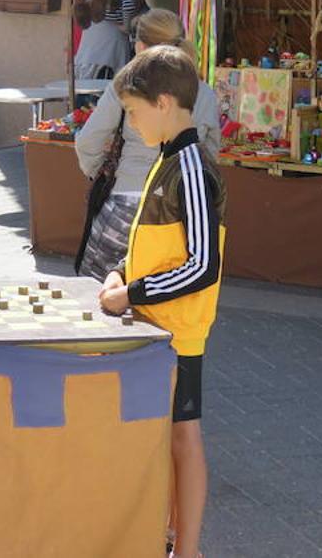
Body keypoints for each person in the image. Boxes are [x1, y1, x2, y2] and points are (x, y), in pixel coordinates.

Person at [98, 45, 225, 558]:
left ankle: (187, 548)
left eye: (133, 110)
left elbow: (201, 265)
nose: (130, 121)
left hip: (177, 330)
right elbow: (156, 243)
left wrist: (130, 293)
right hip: (157, 325)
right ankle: (172, 538)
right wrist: (120, 272)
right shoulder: (170, 158)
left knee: (183, 438)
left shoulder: (191, 165)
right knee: (169, 438)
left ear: (165, 102)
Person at [75, 9, 220, 279]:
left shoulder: (125, 86)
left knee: (98, 299)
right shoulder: (205, 94)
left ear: (141, 46)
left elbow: (88, 141)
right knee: (152, 305)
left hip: (126, 200)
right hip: (176, 213)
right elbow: (210, 155)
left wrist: (103, 172)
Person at [74, 0, 140, 79]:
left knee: (85, 82)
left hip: (90, 35)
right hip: (112, 37)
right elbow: (128, 3)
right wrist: (126, 26)